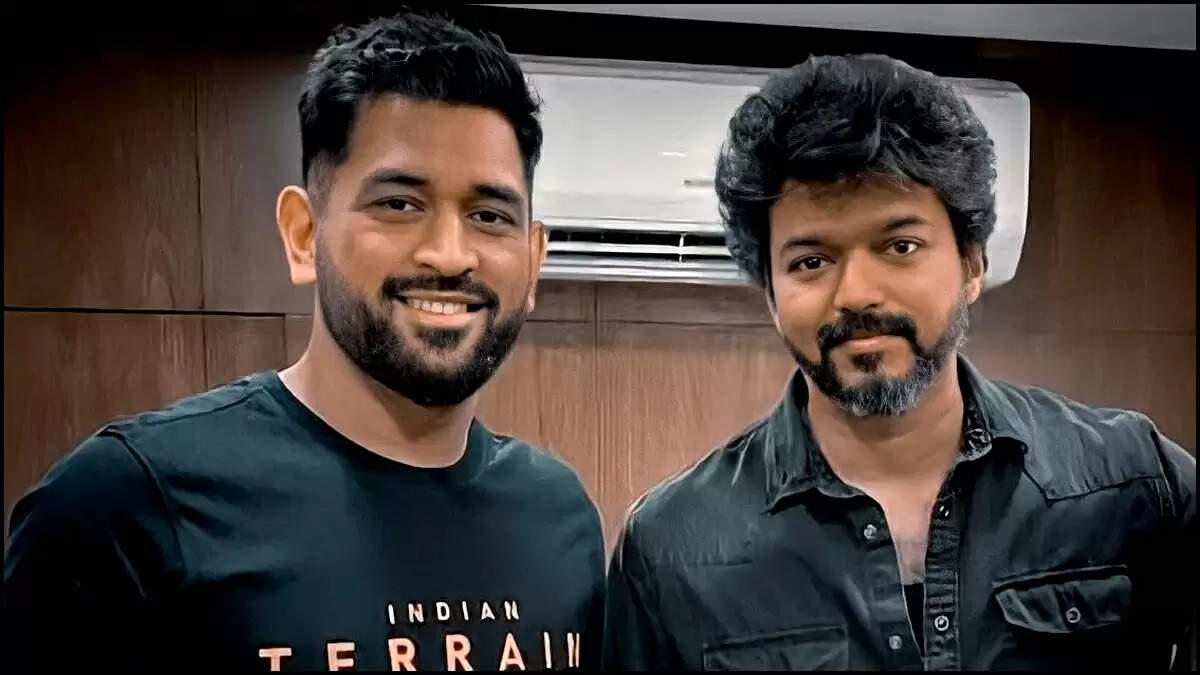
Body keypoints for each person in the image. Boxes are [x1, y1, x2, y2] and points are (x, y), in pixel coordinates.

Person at [5, 11, 605, 671]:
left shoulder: (560, 517)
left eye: (489, 216)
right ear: (302, 233)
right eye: (399, 204)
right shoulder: (124, 506)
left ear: (533, 260)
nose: (449, 253)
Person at [603, 54, 1196, 671]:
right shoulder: (673, 549)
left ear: (972, 264)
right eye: (810, 262)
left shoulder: (1132, 481)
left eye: (900, 246)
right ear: (772, 298)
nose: (856, 294)